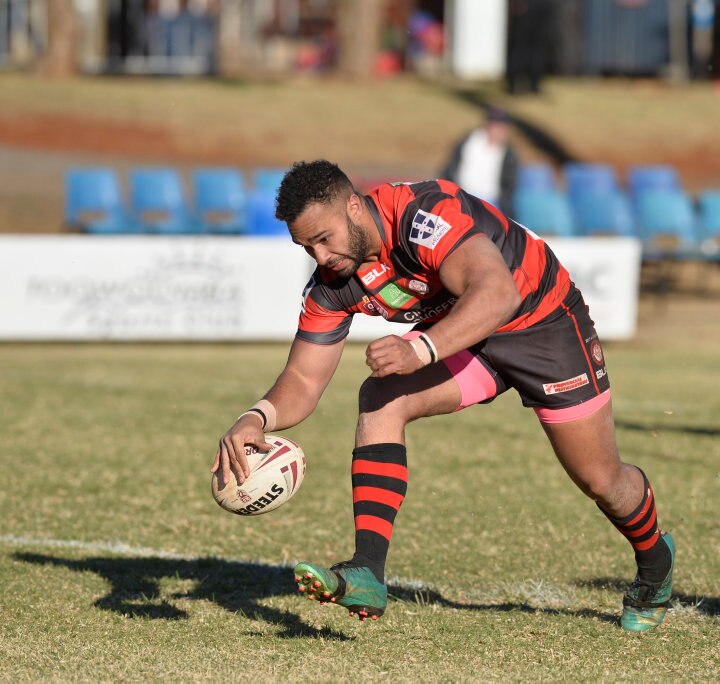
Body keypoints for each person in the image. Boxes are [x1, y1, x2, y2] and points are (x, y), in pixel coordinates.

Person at [212, 160, 676, 632]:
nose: (320, 255)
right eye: (305, 246)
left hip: (542, 323)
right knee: (381, 397)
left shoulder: (421, 216)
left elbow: (498, 293)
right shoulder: (332, 286)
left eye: (324, 237)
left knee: (601, 480)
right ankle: (367, 570)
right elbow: (304, 380)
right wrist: (258, 417)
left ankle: (656, 564)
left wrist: (423, 348)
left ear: (354, 206)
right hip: (467, 340)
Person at [439, 106, 519, 216]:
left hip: (492, 203)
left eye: (502, 126)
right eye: (495, 125)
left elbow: (509, 187)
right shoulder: (469, 143)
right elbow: (450, 169)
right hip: (462, 197)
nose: (499, 130)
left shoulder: (508, 154)